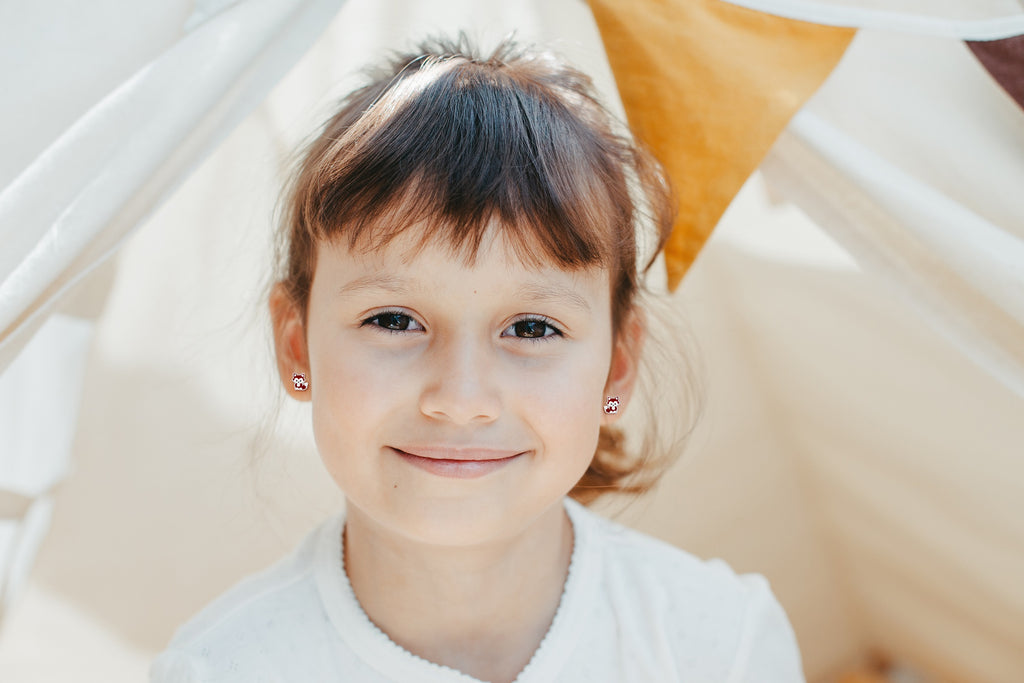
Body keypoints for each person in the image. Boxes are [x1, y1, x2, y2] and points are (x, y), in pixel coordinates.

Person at [150, 35, 804, 683]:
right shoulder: (217, 668)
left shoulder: (720, 644)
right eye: (393, 319)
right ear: (296, 345)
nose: (461, 396)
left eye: (531, 327)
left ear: (617, 365)